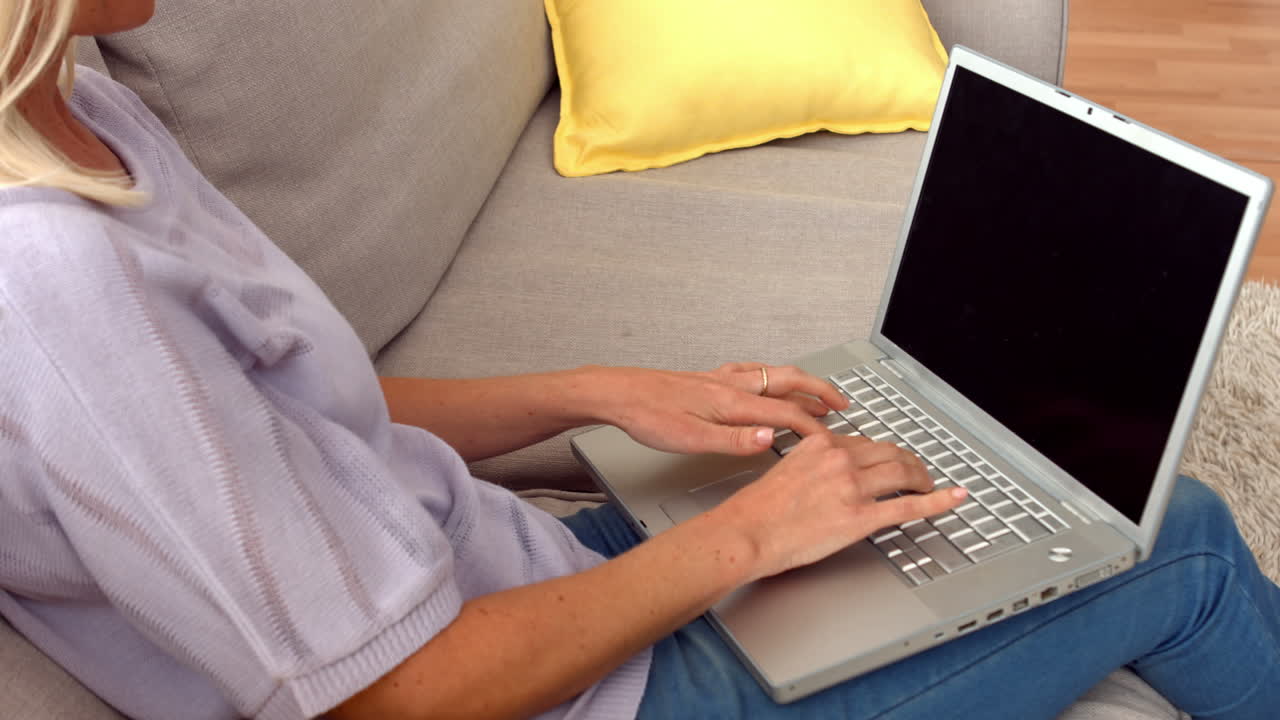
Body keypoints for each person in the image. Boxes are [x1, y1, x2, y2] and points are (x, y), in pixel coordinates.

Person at [0, 2, 1276, 719]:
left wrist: (597, 392)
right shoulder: (53, 281)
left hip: (514, 583)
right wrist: (742, 541)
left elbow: (272, 413)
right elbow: (384, 702)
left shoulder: (72, 110)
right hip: (564, 697)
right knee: (1186, 541)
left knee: (891, 481)